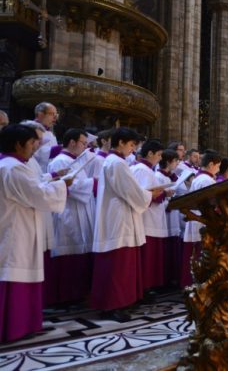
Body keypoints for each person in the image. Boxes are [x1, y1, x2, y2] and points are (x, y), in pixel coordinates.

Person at [0, 124, 69, 342]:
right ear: (18, 144)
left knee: (21, 271)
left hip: (20, 225)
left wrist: (52, 180)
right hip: (16, 229)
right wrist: (63, 185)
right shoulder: (13, 168)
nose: (34, 148)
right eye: (31, 143)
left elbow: (33, 186)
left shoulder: (11, 165)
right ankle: (13, 326)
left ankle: (24, 323)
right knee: (14, 273)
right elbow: (38, 195)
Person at [90, 128, 163, 321]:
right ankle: (114, 305)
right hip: (119, 220)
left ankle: (114, 303)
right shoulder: (117, 163)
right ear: (121, 142)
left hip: (118, 217)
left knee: (119, 265)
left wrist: (145, 194)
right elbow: (131, 192)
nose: (133, 149)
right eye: (131, 145)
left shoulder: (114, 162)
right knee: (118, 266)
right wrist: (150, 194)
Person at [46, 128, 97, 305]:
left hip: (79, 211)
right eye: (83, 143)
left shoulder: (74, 160)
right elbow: (71, 187)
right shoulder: (61, 161)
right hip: (67, 212)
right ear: (72, 142)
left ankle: (77, 293)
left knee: (79, 252)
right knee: (69, 252)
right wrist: (94, 182)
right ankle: (65, 296)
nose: (85, 147)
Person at [131, 139, 174, 292]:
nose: (161, 158)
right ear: (150, 153)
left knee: (152, 256)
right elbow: (143, 194)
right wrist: (160, 193)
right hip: (146, 219)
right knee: (147, 256)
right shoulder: (142, 170)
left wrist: (162, 193)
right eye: (159, 154)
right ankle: (144, 287)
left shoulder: (147, 170)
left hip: (153, 217)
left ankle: (148, 286)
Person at [181, 150, 221, 287]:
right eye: (218, 165)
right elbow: (211, 203)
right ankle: (201, 283)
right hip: (202, 221)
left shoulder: (199, 178)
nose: (219, 169)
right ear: (211, 164)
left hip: (198, 219)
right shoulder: (206, 180)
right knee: (201, 253)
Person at [156, 149, 182, 286]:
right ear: (168, 162)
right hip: (165, 216)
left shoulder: (169, 177)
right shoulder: (159, 177)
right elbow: (156, 196)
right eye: (175, 161)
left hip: (172, 216)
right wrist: (168, 199)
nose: (177, 164)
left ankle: (172, 277)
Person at [32, 102, 59, 173]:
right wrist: (61, 148)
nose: (55, 118)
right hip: (36, 169)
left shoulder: (50, 132)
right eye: (52, 114)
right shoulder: (30, 129)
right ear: (40, 115)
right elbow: (33, 152)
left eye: (56, 115)